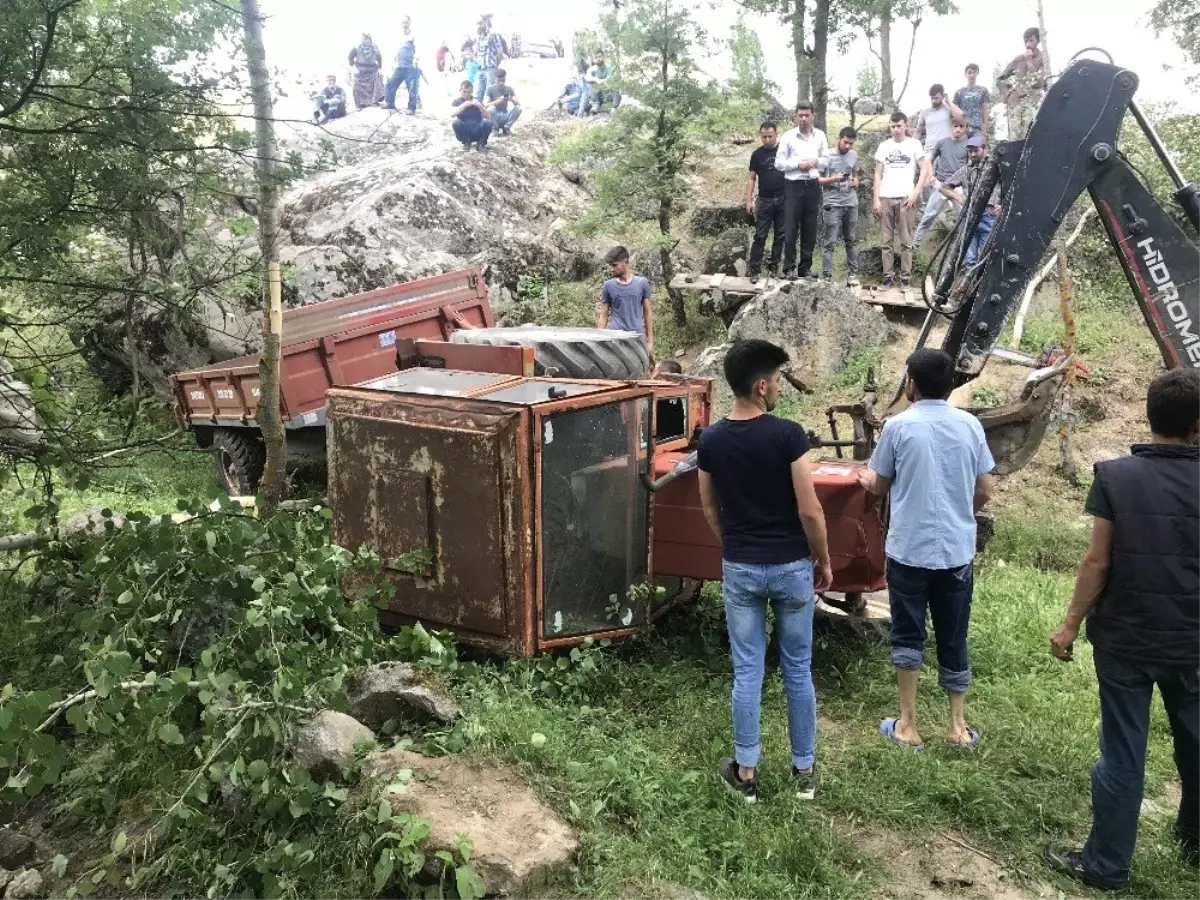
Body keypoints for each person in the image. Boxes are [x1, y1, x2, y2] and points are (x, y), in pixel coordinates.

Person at [1044, 368, 1200, 891]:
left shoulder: (1114, 476)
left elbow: (1097, 563)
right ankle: (1195, 842)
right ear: (1197, 427)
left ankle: (1106, 865)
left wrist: (1070, 625)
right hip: (1194, 645)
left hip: (1126, 643)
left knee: (1123, 753)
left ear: (1149, 415)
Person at [697, 339, 833, 804]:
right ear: (760, 386)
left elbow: (709, 507)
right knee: (798, 670)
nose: (779, 388)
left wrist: (733, 546)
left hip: (741, 568)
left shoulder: (711, 440)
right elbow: (810, 510)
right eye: (777, 380)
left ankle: (746, 771)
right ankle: (805, 772)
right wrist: (824, 559)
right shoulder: (788, 435)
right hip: (792, 567)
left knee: (748, 671)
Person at [856, 348, 995, 752]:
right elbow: (985, 489)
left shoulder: (899, 427)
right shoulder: (971, 426)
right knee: (954, 633)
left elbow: (878, 485)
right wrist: (959, 514)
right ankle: (957, 726)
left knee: (907, 631)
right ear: (951, 383)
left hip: (909, 550)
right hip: (956, 552)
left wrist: (865, 477)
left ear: (912, 383)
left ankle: (909, 726)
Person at [872, 112, 929, 289]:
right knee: (886, 240)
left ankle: (905, 278)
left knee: (906, 240)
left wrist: (915, 193)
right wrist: (876, 199)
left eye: (899, 126)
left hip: (906, 197)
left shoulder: (914, 144)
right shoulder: (884, 146)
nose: (896, 130)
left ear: (905, 126)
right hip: (886, 196)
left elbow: (925, 170)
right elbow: (878, 173)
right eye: (893, 126)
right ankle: (888, 277)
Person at [774, 102, 828, 280]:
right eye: (800, 115)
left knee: (810, 228)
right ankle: (788, 268)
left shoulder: (820, 136)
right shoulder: (788, 137)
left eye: (807, 115)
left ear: (813, 115)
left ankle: (805, 268)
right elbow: (779, 163)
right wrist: (798, 164)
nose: (804, 119)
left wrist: (816, 162)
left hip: (812, 186)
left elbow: (826, 160)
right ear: (795, 116)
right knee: (790, 227)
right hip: (793, 186)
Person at [940, 134, 1002, 267]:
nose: (973, 154)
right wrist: (958, 197)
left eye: (976, 150)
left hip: (988, 215)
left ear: (984, 149)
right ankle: (966, 285)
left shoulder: (996, 167)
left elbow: (1008, 186)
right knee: (970, 258)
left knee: (986, 257)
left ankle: (979, 286)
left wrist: (1002, 204)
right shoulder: (965, 170)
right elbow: (944, 187)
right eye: (970, 151)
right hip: (969, 215)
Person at [913, 116, 968, 248]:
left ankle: (961, 249)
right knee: (928, 216)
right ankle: (914, 246)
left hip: (958, 187)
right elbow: (929, 159)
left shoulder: (968, 145)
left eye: (961, 127)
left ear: (965, 128)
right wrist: (931, 175)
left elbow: (970, 166)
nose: (958, 129)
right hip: (940, 184)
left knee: (964, 218)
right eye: (955, 126)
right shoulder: (942, 143)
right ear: (951, 127)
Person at [817, 126, 861, 285]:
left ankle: (853, 275)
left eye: (851, 143)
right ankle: (827, 276)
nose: (848, 146)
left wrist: (856, 181)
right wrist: (833, 179)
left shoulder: (854, 155)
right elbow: (818, 179)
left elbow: (856, 175)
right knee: (830, 241)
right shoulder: (826, 155)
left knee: (851, 240)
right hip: (832, 204)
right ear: (838, 139)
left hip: (851, 202)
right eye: (845, 142)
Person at [745, 121, 786, 281]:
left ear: (776, 134)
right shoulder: (757, 154)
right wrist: (748, 200)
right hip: (764, 200)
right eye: (764, 137)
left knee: (780, 235)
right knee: (760, 236)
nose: (767, 140)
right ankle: (754, 270)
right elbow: (751, 178)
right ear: (760, 136)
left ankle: (774, 267)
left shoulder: (784, 151)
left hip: (783, 199)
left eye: (770, 136)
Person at [596, 246, 654, 353]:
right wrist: (599, 343)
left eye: (614, 265)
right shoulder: (608, 286)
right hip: (616, 338)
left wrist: (650, 342)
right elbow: (603, 315)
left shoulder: (642, 283)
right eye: (610, 266)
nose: (612, 269)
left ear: (626, 262)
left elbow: (647, 313)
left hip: (637, 337)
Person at [999, 27, 1046, 139]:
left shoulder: (1042, 58)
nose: (1028, 44)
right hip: (1015, 104)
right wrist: (1008, 93)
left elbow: (1039, 83)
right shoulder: (1018, 59)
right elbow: (1000, 79)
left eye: (1031, 40)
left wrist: (1029, 62)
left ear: (1038, 41)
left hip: (1032, 104)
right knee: (1014, 140)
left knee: (1029, 138)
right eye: (1026, 41)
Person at [383, 16, 420, 114]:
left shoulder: (413, 35)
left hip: (410, 67)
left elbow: (418, 49)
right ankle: (390, 103)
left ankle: (411, 108)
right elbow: (395, 51)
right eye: (403, 22)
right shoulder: (398, 36)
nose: (404, 24)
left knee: (412, 88)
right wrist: (393, 63)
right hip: (399, 66)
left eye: (406, 22)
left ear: (409, 23)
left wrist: (415, 61)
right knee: (390, 84)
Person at [450, 79, 493, 151]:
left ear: (472, 92)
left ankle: (481, 143)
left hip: (477, 129)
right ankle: (466, 142)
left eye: (469, 92)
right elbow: (452, 114)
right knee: (456, 123)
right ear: (460, 90)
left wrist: (480, 106)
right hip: (465, 130)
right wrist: (464, 105)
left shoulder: (477, 100)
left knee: (488, 123)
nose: (467, 94)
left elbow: (488, 116)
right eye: (464, 91)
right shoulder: (456, 101)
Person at [474, 13, 506, 102]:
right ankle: (477, 115)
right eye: (478, 24)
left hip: (490, 69)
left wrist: (495, 65)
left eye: (480, 23)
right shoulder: (478, 37)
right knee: (478, 93)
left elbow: (500, 51)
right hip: (480, 69)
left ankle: (486, 115)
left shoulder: (493, 35)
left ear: (486, 22)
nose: (479, 26)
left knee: (488, 94)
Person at [954, 63, 991, 138]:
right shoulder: (959, 92)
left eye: (974, 72)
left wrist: (985, 128)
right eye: (969, 72)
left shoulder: (983, 90)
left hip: (977, 129)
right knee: (963, 149)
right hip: (962, 129)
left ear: (977, 74)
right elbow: (955, 112)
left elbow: (985, 109)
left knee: (976, 149)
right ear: (966, 74)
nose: (972, 75)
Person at [348, 34, 385, 109]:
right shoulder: (357, 47)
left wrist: (380, 69)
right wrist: (354, 67)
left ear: (371, 40)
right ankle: (359, 104)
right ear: (362, 39)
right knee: (356, 83)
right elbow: (350, 57)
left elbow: (379, 58)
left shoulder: (375, 48)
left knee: (377, 78)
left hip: (372, 69)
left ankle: (373, 101)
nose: (367, 40)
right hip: (360, 70)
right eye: (365, 39)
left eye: (368, 39)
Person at [484, 68, 521, 136]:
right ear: (495, 79)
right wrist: (497, 101)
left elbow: (518, 104)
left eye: (503, 80)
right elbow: (485, 105)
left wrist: (511, 99)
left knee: (519, 109)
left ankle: (506, 127)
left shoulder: (509, 88)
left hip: (505, 114)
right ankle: (495, 128)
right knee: (490, 109)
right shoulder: (490, 89)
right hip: (495, 115)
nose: (501, 82)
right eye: (499, 80)